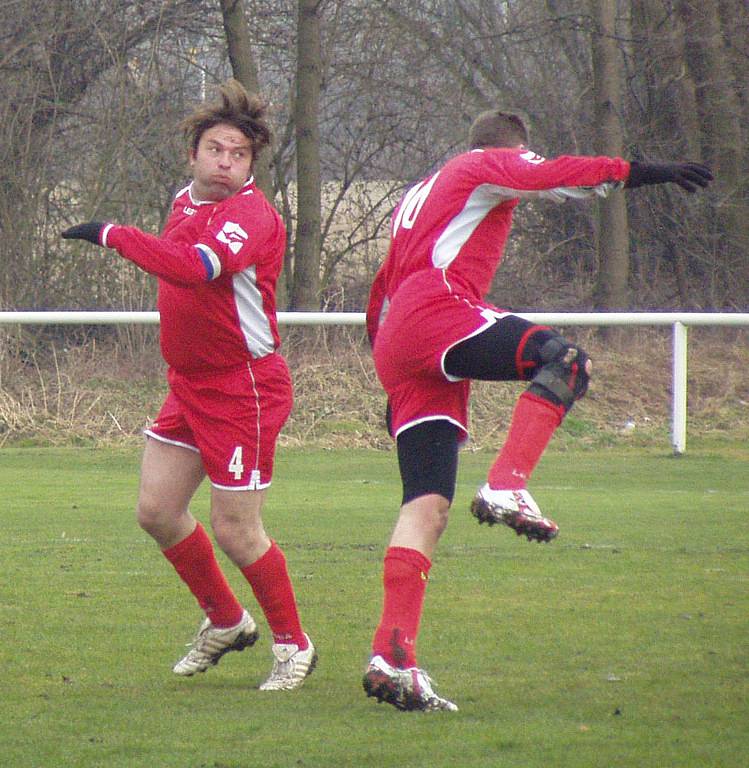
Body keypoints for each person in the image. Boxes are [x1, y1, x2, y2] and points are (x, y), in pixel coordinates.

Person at [362, 109, 712, 712]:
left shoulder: (420, 193)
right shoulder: (482, 164)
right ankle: (506, 486)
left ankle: (392, 658)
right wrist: (642, 171)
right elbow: (554, 174)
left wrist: (389, 369)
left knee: (426, 507)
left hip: (400, 337)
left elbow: (383, 282)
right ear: (512, 148)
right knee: (567, 362)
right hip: (436, 309)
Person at [62, 79, 316, 691]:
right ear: (193, 153)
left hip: (244, 388)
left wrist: (113, 233)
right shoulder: (185, 201)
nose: (226, 164)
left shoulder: (251, 213)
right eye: (216, 151)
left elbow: (191, 268)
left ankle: (293, 644)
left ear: (250, 165)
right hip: (189, 385)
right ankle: (227, 622)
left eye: (239, 156)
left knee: (235, 528)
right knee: (156, 511)